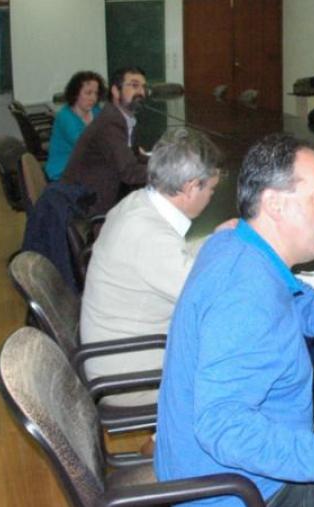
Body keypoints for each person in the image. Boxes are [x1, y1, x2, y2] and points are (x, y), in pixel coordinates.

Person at [155, 134, 314, 506]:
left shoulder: (233, 243)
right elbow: (222, 426)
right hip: (239, 492)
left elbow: (292, 293)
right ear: (274, 204)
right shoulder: (244, 298)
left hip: (213, 472)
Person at [79, 126, 234, 407]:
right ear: (190, 187)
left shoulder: (137, 204)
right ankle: (173, 440)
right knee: (243, 364)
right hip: (129, 377)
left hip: (119, 352)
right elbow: (210, 298)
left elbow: (177, 260)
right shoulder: (147, 235)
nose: (211, 196)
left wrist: (216, 238)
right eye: (210, 189)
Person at [63, 66, 149, 215]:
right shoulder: (110, 124)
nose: (141, 92)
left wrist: (163, 161)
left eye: (144, 87)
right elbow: (130, 172)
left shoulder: (123, 118)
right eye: (134, 85)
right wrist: (170, 173)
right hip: (87, 204)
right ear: (115, 91)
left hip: (101, 191)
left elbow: (133, 156)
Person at [44, 71, 106, 181]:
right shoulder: (65, 116)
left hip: (87, 166)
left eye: (96, 93)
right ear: (75, 93)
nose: (93, 98)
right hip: (63, 171)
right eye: (88, 93)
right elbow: (86, 145)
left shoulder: (96, 111)